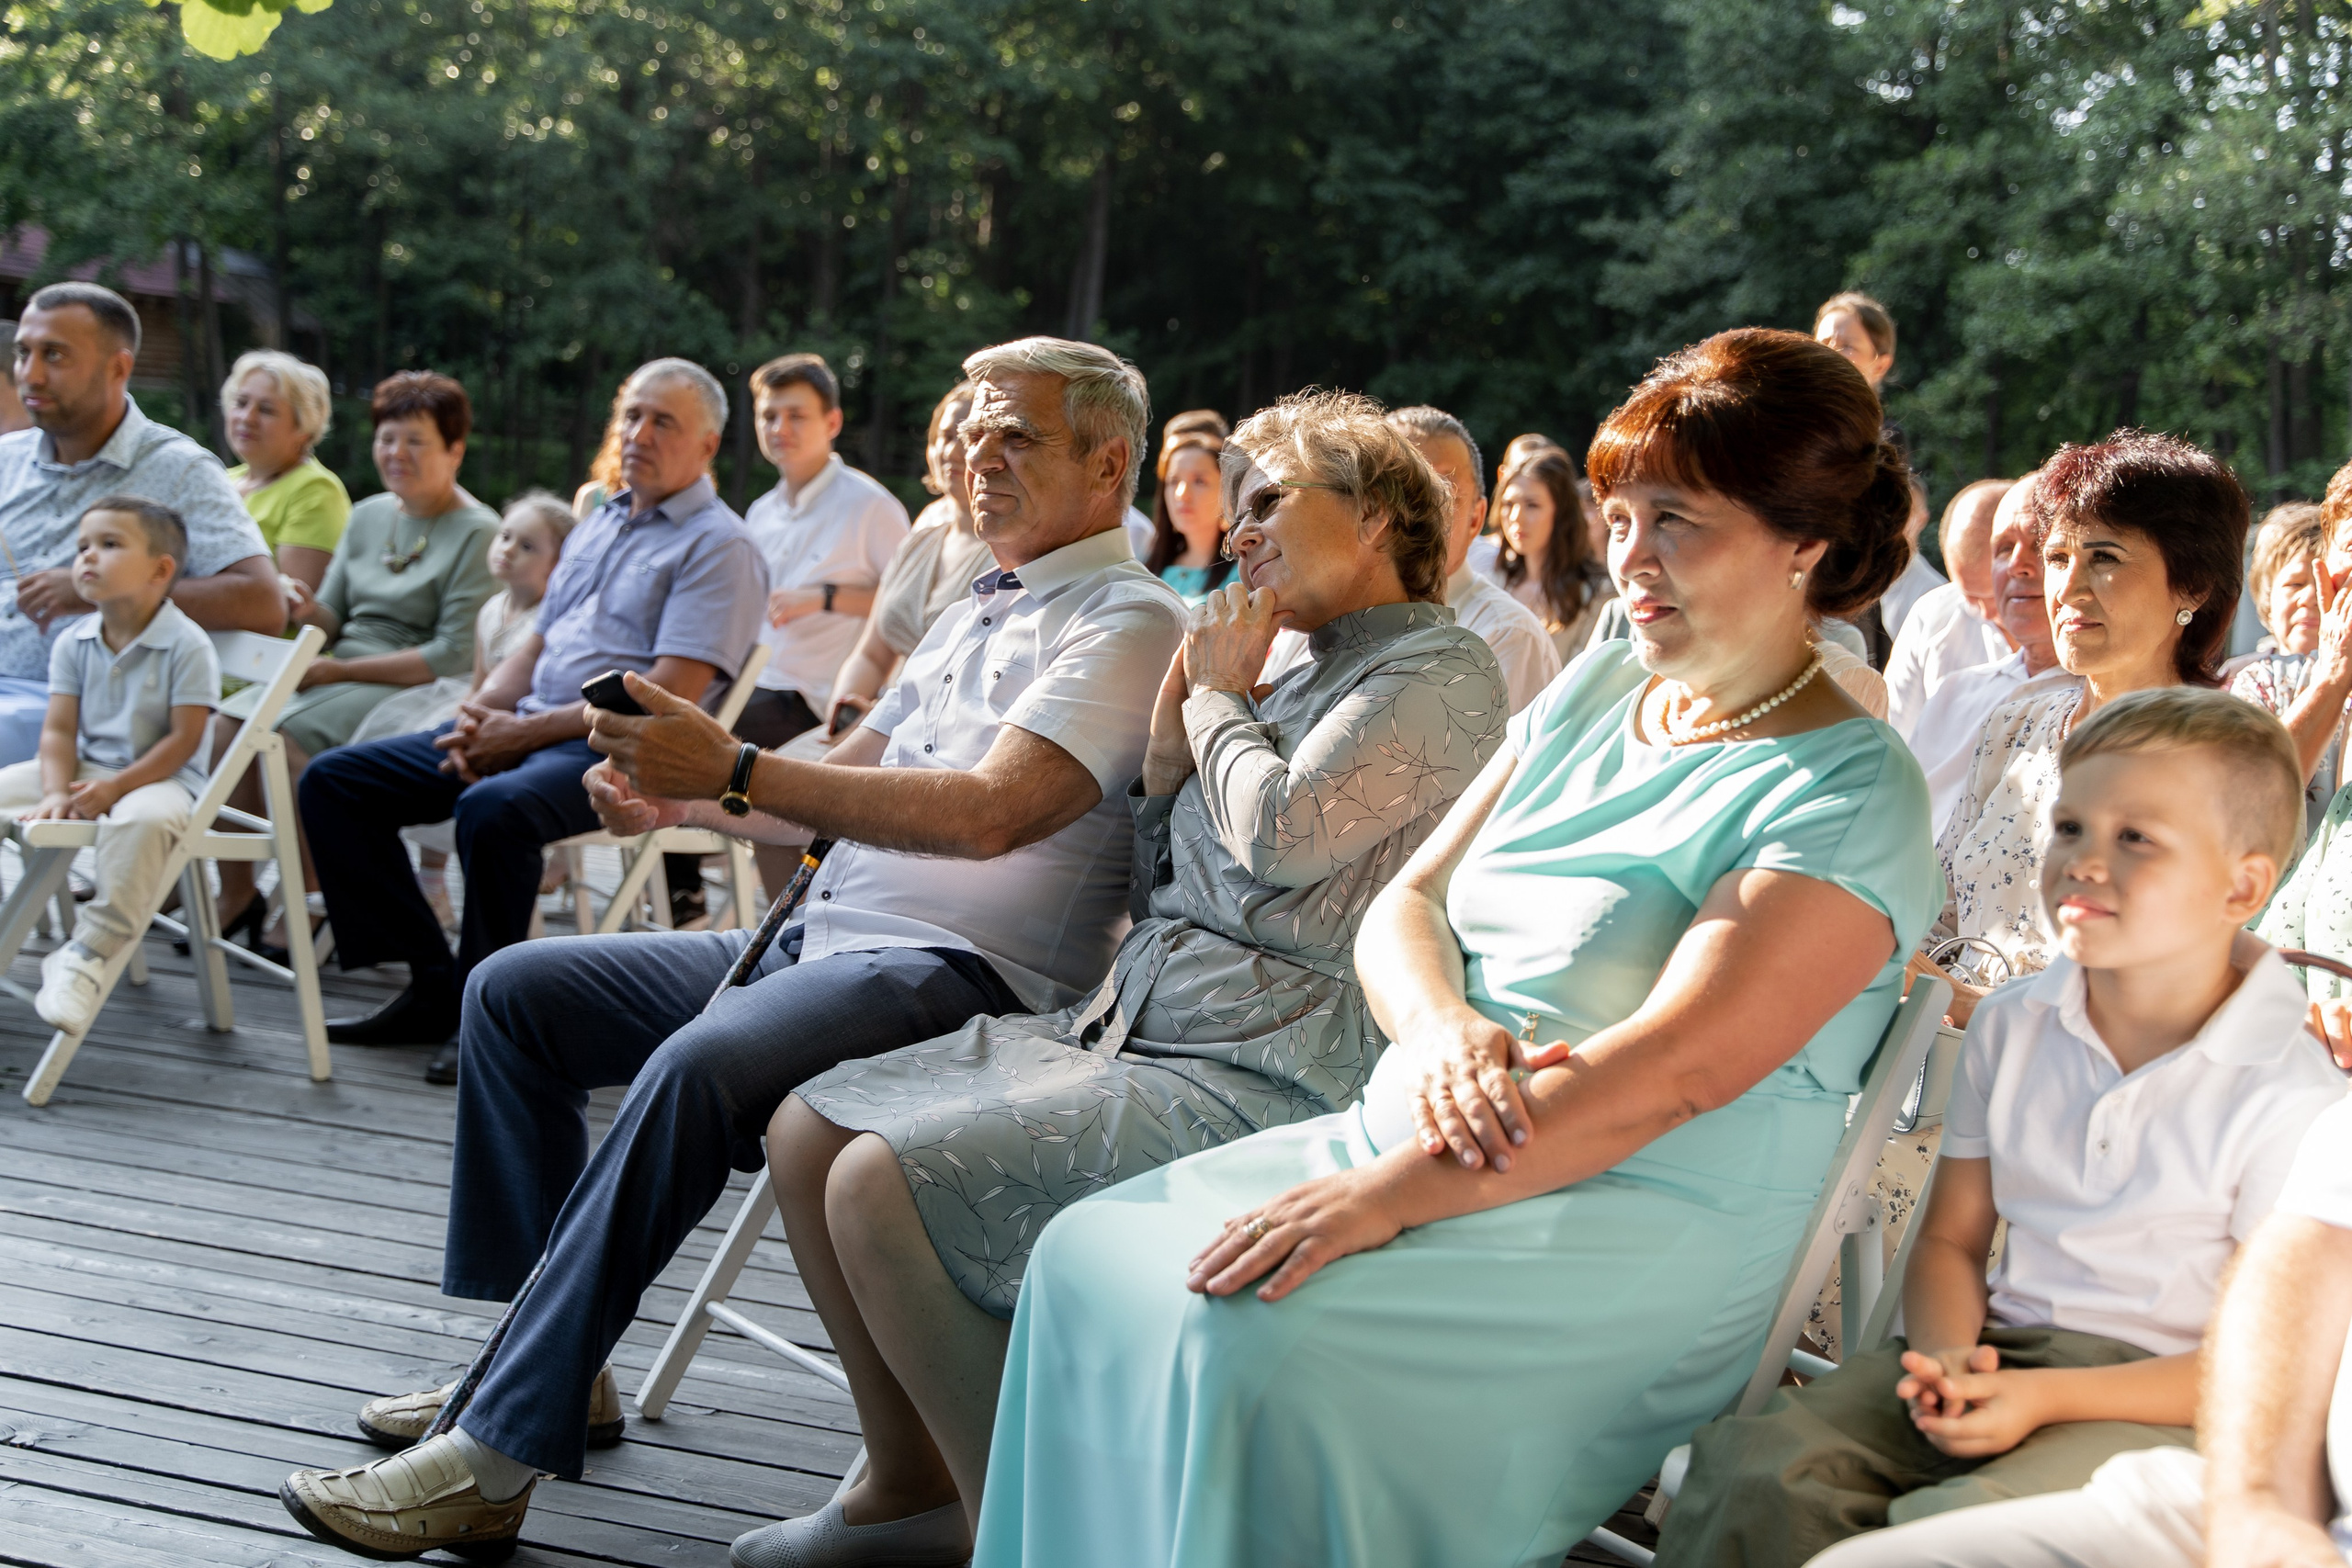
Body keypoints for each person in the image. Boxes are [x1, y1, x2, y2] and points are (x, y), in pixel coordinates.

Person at [966, 329, 1932, 1568]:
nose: (1632, 556)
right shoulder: (1596, 689)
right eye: (1620, 519)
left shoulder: (1851, 790)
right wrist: (1441, 1032)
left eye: (1677, 522)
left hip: (1636, 1209)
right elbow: (1406, 905)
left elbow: (1673, 1073)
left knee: (1251, 1341)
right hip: (1412, 1122)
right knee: (1083, 1259)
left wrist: (1387, 1197)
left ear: (1805, 541)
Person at [275, 336, 1186, 1563]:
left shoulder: (1132, 617)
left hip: (969, 975)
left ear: (1110, 463)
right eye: (971, 429)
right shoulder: (981, 596)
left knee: (698, 1061)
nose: (978, 453)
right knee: (513, 994)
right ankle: (556, 1372)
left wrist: (739, 765)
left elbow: (991, 813)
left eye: (1014, 433)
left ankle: (489, 1452)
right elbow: (844, 782)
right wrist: (684, 797)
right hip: (826, 938)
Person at [741, 391, 1510, 1565]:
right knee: (808, 1129)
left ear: (1372, 514)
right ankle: (912, 1487)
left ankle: (1020, 1534)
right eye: (1237, 509)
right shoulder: (1289, 670)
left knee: (877, 1183)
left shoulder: (1440, 671)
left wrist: (1216, 699)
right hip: (1136, 1021)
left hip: (1269, 1071)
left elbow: (1284, 839)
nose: (1240, 532)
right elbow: (1170, 893)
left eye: (1269, 502)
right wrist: (1163, 755)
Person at [1657, 687, 2344, 1568]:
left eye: (2136, 838)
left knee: (1944, 1529)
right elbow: (1951, 1238)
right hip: (1998, 1349)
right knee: (1760, 1472)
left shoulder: (2293, 1093)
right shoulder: (2015, 1023)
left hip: (2168, 1406)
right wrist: (1949, 1359)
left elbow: (2258, 1366)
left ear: (2241, 885)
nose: (2085, 861)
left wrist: (2043, 1400)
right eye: (2070, 827)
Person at [294, 358, 766, 1063]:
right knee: (335, 783)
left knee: (494, 810)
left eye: (663, 421)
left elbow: (666, 693)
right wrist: (477, 717)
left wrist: (519, 733)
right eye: (631, 415)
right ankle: (434, 983)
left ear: (707, 445)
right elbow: (538, 641)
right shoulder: (603, 520)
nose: (638, 433)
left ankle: (489, 1024)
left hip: (621, 749)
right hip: (526, 724)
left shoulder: (719, 545)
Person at [1920, 434, 2245, 1026]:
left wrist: (1969, 1007)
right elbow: (1940, 914)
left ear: (2194, 586)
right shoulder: (2015, 726)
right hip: (1948, 1069)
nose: (2068, 589)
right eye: (2057, 558)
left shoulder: (2221, 760)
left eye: (2105, 558)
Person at [209, 371, 502, 953]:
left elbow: (451, 652)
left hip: (418, 681)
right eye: (386, 439)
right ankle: (238, 889)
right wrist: (302, 606)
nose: (396, 453)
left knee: (287, 738)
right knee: (226, 725)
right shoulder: (369, 514)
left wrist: (337, 670)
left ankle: (317, 895)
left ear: (455, 450)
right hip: (341, 664)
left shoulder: (480, 531)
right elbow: (332, 616)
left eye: (415, 441)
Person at [0, 283, 282, 765]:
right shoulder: (7, 459)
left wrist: (93, 590)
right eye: (24, 353)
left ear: (118, 368)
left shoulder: (180, 470)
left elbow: (263, 603)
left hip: (86, 718)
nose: (31, 374)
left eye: (55, 355)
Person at [0, 497, 216, 1032]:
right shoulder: (74, 641)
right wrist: (55, 791)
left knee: (144, 820)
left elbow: (184, 741)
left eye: (109, 544)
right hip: (87, 768)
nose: (87, 557)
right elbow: (58, 732)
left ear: (160, 570)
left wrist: (117, 788)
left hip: (162, 778)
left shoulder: (187, 645)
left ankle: (87, 954)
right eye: (82, 547)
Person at [347, 491, 576, 945]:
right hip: (478, 712)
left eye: (527, 546)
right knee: (428, 745)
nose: (507, 549)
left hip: (520, 730)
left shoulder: (552, 620)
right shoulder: (491, 610)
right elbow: (479, 682)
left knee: (468, 782)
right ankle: (428, 880)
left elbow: (538, 692)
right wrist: (463, 717)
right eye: (505, 537)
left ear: (558, 565)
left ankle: (477, 901)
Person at [739, 353, 910, 749]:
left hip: (814, 700)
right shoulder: (761, 512)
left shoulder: (872, 507)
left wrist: (823, 597)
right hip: (750, 679)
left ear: (832, 422)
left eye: (796, 416)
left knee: (698, 739)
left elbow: (908, 606)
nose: (780, 428)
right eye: (768, 416)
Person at [820, 382, 988, 741]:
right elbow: (871, 654)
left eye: (969, 438)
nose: (951, 450)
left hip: (944, 737)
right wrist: (843, 712)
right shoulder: (917, 543)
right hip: (877, 722)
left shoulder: (1010, 555)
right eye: (944, 436)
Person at [1906, 478, 2070, 835]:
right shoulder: (1953, 693)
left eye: (2040, 545)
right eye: (2003, 548)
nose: (2017, 565)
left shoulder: (2109, 699)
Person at [1384, 405, 1560, 709]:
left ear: (1476, 519)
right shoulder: (1322, 618)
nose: (1412, 513)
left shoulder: (1504, 636)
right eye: (1391, 490)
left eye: (1441, 495)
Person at [2236, 491, 2347, 829]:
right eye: (2295, 584)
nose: (2310, 597)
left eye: (2325, 583)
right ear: (2267, 599)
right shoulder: (2251, 680)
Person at [1885, 480, 2015, 736]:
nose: (1985, 613)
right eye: (1969, 596)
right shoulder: (1933, 614)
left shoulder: (2072, 622)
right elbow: (1894, 731)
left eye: (1997, 597)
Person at [220, 349, 349, 607]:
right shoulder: (221, 479)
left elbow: (291, 604)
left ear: (303, 428)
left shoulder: (315, 490)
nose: (247, 418)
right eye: (241, 403)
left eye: (266, 410)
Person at [1490, 446, 1613, 658]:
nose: (1516, 518)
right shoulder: (1494, 579)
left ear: (1561, 513)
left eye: (1532, 505)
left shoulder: (1598, 594)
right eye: (1509, 504)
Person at [1144, 427, 1233, 602]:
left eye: (1199, 481)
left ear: (1227, 491)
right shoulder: (1147, 568)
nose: (1181, 494)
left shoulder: (1243, 574)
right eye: (1173, 481)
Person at [1879, 474, 1947, 638]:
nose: (1893, 519)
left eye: (1904, 512)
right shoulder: (1870, 578)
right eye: (1888, 510)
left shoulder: (1934, 592)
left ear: (1922, 519)